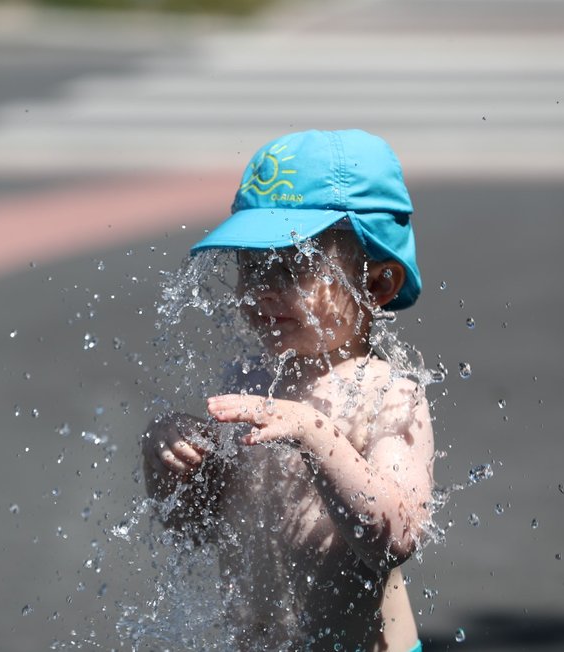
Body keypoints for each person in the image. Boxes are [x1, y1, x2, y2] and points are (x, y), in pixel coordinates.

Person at [142, 129, 435, 652]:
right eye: (251, 267)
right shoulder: (246, 379)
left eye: (293, 266)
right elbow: (198, 529)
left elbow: (396, 538)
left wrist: (314, 431)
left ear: (375, 285)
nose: (261, 290)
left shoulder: (390, 396)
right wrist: (172, 463)